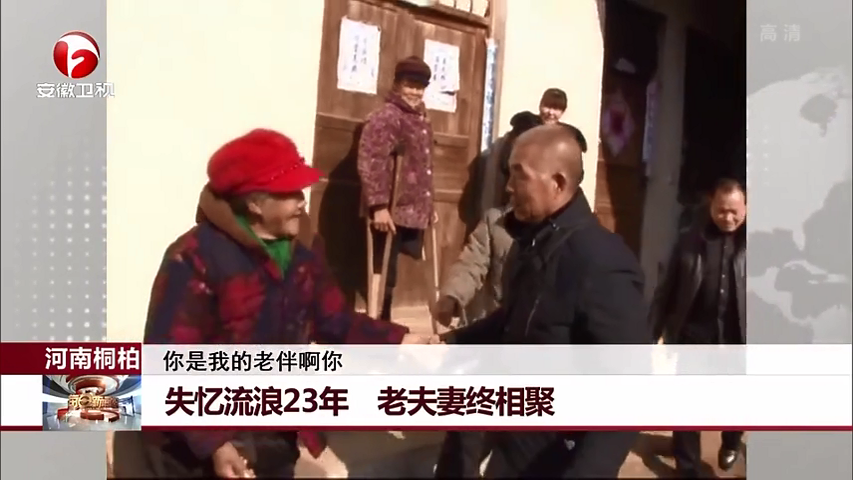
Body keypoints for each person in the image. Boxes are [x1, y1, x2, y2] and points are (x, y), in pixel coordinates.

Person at [114, 129, 435, 479]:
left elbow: (335, 321)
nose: (302, 201)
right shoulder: (194, 257)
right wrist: (215, 443)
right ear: (255, 203)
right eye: (290, 193)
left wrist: (399, 340)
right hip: (195, 444)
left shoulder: (304, 250)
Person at [439, 124, 652, 477]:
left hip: (555, 452)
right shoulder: (532, 240)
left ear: (558, 183)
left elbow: (629, 386)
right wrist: (452, 342)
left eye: (519, 175)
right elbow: (515, 319)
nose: (509, 187)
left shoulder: (600, 259)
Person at [650, 177, 747, 477]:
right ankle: (688, 467)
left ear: (746, 208)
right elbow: (666, 291)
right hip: (695, 338)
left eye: (734, 211)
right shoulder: (690, 241)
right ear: (711, 205)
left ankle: (731, 441)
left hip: (738, 342)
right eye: (721, 210)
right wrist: (651, 333)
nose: (727, 217)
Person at [358, 55, 438, 322]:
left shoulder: (422, 119)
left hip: (413, 207)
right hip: (390, 208)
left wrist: (430, 205)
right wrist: (378, 205)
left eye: (420, 87)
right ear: (397, 84)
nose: (415, 92)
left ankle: (386, 317)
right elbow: (371, 160)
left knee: (397, 269)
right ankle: (379, 321)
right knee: (383, 269)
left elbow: (424, 166)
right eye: (410, 85)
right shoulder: (386, 117)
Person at [477, 88, 588, 216]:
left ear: (563, 111)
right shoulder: (524, 128)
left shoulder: (566, 135)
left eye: (557, 109)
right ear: (540, 105)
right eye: (547, 106)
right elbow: (507, 162)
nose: (551, 112)